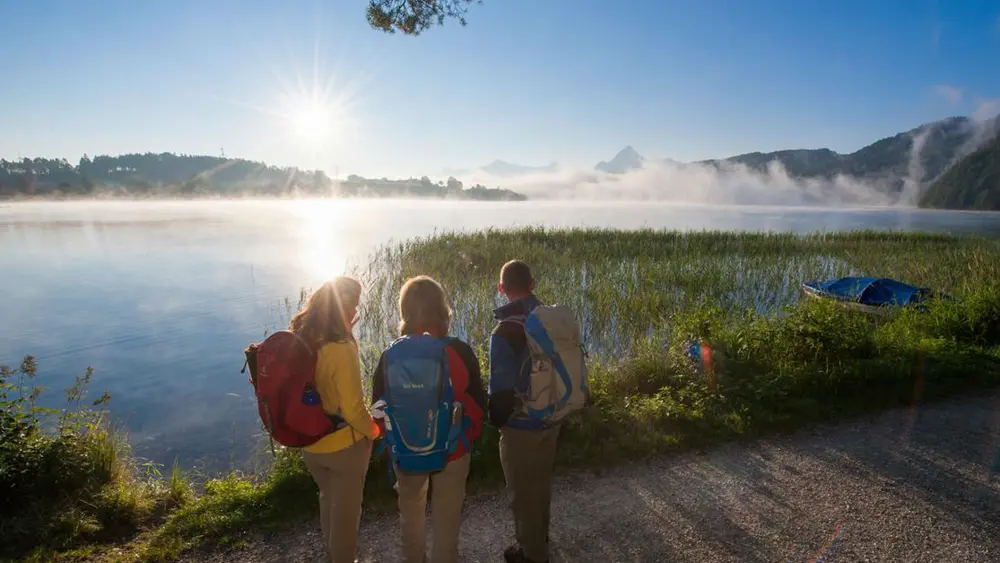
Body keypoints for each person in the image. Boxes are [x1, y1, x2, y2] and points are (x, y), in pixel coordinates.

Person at [371, 275, 486, 563]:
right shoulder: (459, 350)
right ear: (442, 310)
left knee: (411, 518)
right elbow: (479, 404)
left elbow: (377, 408)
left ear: (404, 311)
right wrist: (468, 435)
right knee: (446, 521)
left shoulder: (391, 355)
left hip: (407, 452)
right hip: (453, 448)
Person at [290, 276, 378, 563]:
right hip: (343, 448)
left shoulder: (302, 339)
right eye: (352, 305)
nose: (355, 312)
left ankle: (332, 556)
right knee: (347, 519)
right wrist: (374, 431)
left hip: (311, 445)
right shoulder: (341, 349)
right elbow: (352, 410)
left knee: (328, 500)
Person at [489, 260, 558, 563]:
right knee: (541, 485)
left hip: (521, 425)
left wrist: (494, 422)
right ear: (532, 284)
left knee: (521, 494)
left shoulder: (505, 331)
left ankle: (532, 555)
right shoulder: (551, 318)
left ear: (501, 289)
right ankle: (539, 540)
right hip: (553, 417)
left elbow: (501, 393)